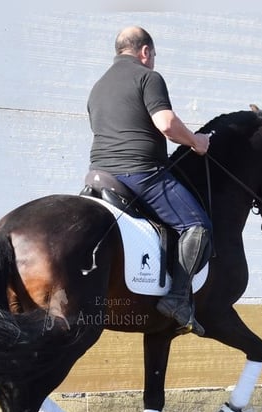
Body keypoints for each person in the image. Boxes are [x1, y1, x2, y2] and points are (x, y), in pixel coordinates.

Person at [87, 26, 212, 335]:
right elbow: (166, 124)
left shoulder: (98, 87)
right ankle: (178, 299)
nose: (153, 60)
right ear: (145, 52)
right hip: (141, 173)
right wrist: (195, 141)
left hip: (98, 174)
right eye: (153, 55)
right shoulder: (148, 77)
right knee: (197, 225)